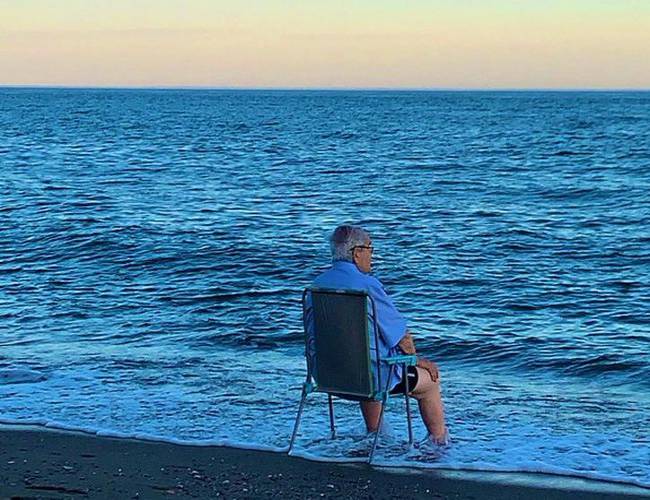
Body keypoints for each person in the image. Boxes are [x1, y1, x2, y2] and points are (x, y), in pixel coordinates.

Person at [311, 225, 448, 445]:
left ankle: (375, 435)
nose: (372, 255)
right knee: (430, 381)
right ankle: (439, 444)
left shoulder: (317, 285)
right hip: (370, 380)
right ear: (357, 253)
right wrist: (418, 361)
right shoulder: (367, 286)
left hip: (329, 376)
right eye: (370, 249)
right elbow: (402, 337)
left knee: (366, 357)